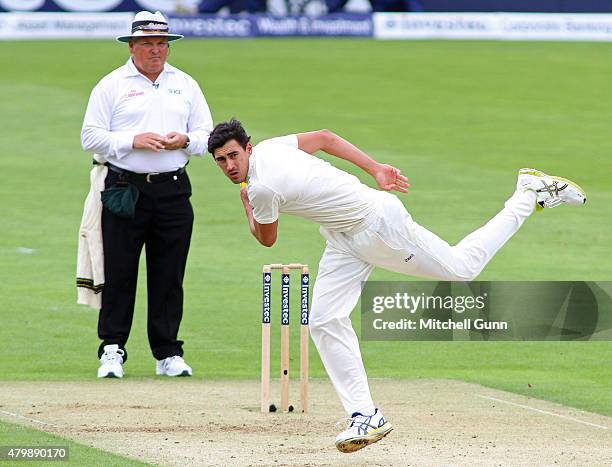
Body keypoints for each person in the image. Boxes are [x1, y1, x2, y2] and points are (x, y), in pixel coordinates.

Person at [207, 119, 586, 453]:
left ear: (248, 148)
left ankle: (528, 193)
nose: (229, 166)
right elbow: (323, 137)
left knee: (463, 268)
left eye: (233, 156)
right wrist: (374, 168)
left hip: (377, 228)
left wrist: (246, 206)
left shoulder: (261, 190)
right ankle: (366, 416)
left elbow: (266, 239)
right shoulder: (275, 147)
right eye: (221, 161)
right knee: (323, 319)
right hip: (342, 237)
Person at [81, 11, 213, 379]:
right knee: (120, 271)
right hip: (125, 188)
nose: (156, 50)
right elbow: (90, 137)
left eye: (161, 44)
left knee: (168, 273)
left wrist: (185, 139)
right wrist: (131, 141)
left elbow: (207, 135)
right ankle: (112, 349)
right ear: (133, 46)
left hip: (173, 187)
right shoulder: (112, 84)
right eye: (148, 44)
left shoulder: (185, 84)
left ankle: (167, 352)